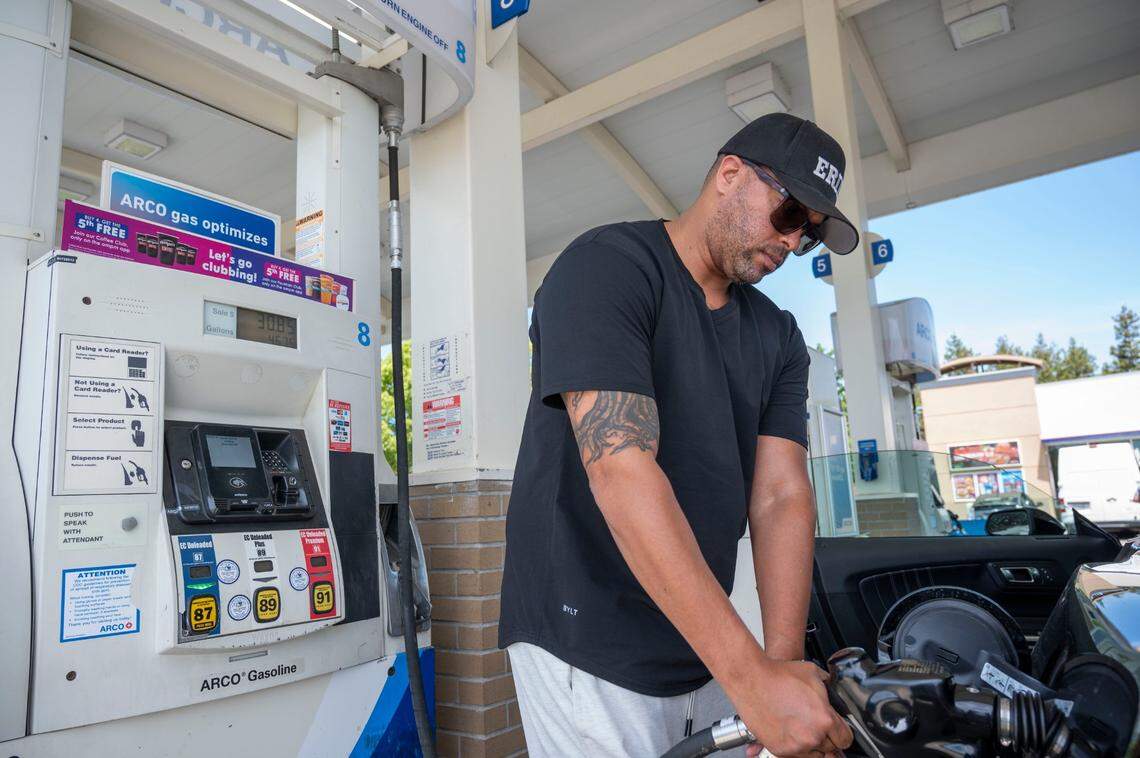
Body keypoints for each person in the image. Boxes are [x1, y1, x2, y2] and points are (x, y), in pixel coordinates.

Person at [499, 113, 861, 757]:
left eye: (807, 235)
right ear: (729, 176)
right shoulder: (607, 268)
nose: (790, 244)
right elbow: (621, 466)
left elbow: (780, 496)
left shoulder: (779, 336)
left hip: (703, 639)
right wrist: (752, 681)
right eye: (788, 216)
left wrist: (775, 666)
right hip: (588, 636)